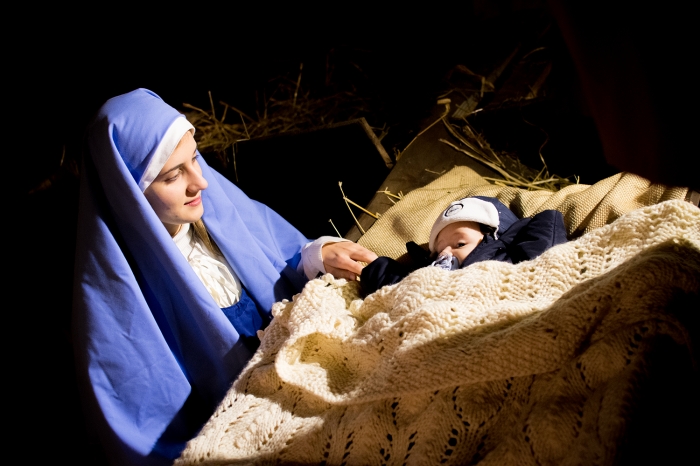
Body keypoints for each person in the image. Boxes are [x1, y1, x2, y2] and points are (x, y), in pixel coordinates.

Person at [72, 88, 377, 466]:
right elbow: (144, 414)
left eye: (195, 158)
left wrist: (318, 254)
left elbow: (279, 248)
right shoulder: (117, 293)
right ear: (129, 194)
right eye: (172, 176)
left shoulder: (211, 206)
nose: (200, 182)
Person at [360, 196, 568, 295]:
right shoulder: (431, 275)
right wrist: (378, 267)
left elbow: (543, 260)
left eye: (460, 243)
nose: (446, 253)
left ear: (496, 238)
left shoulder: (507, 260)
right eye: (439, 251)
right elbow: (400, 289)